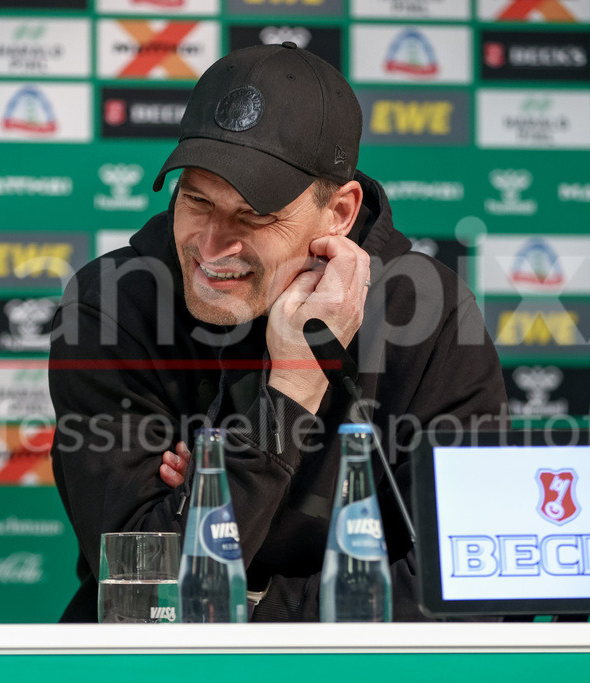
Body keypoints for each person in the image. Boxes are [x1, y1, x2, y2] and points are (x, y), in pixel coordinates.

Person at [48, 42, 507, 622]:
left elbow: (470, 583)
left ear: (339, 213)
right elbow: (144, 592)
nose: (211, 247)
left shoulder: (431, 313)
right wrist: (291, 392)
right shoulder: (112, 304)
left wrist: (249, 595)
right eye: (197, 200)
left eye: (254, 216)